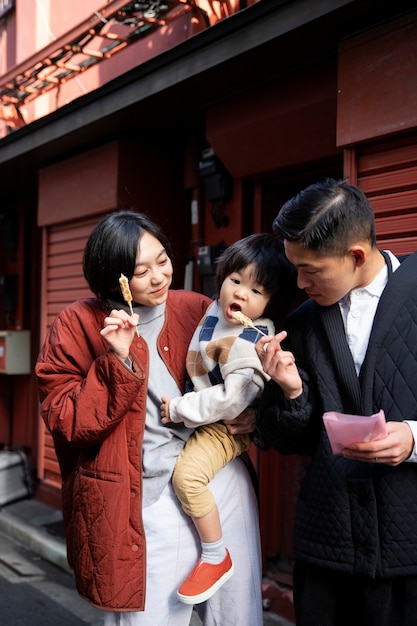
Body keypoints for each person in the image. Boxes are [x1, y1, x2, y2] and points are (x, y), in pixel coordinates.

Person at [35, 210, 264, 626]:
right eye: (141, 271)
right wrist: (117, 361)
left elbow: (251, 365)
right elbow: (65, 418)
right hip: (145, 499)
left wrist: (255, 416)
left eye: (162, 260)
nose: (159, 277)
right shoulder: (79, 323)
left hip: (220, 479)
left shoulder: (198, 308)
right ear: (112, 278)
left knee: (237, 615)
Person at [254, 177, 417, 626]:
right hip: (327, 549)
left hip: (410, 553)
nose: (300, 282)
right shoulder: (303, 321)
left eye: (312, 270)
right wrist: (290, 391)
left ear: (357, 255)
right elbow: (287, 440)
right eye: (295, 269)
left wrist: (413, 438)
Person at [160, 234, 298, 605]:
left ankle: (215, 554)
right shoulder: (214, 312)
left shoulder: (251, 342)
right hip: (205, 414)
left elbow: (230, 401)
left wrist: (178, 409)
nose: (240, 294)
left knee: (187, 477)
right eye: (235, 281)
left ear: (271, 303)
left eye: (256, 290)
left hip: (224, 426)